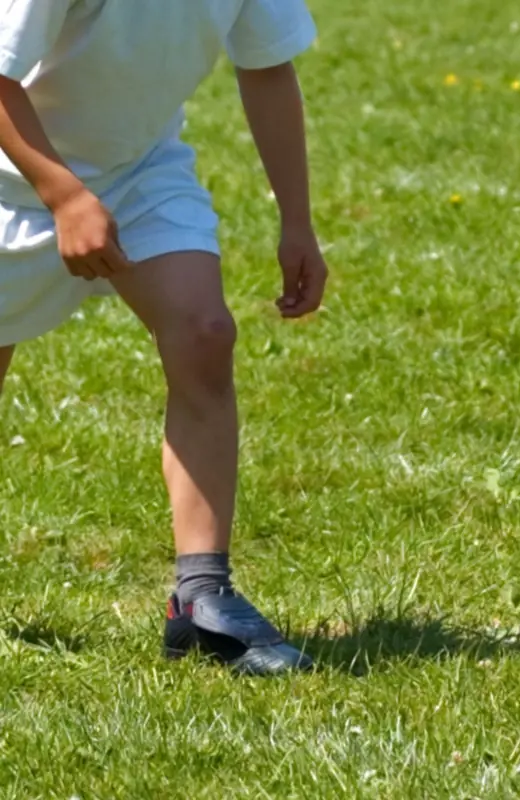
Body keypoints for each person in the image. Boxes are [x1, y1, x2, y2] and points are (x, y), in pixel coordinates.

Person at [0, 0, 329, 674]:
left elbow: (267, 67)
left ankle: (200, 597)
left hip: (137, 171)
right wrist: (63, 194)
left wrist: (297, 222)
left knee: (205, 334)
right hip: (14, 180)